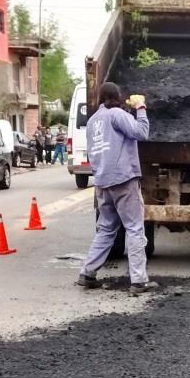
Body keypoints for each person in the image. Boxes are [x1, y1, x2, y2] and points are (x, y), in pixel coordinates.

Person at [77, 82, 158, 294]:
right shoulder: (116, 115)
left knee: (106, 229)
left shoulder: (94, 120)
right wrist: (140, 108)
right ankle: (139, 281)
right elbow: (141, 133)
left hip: (102, 182)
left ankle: (87, 273)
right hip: (123, 179)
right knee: (134, 228)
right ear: (116, 96)